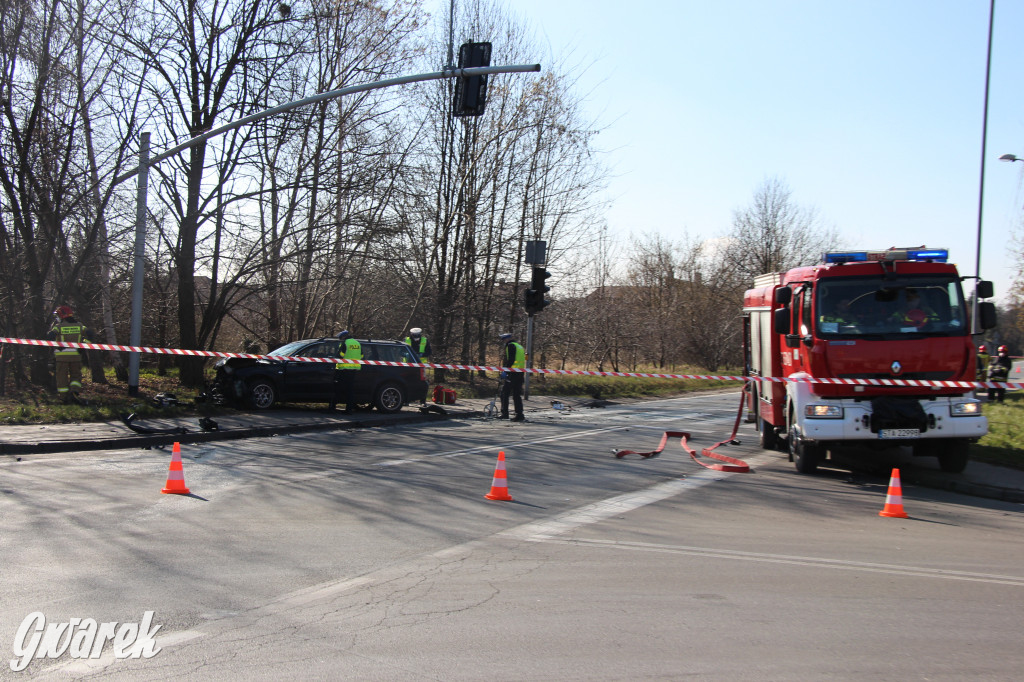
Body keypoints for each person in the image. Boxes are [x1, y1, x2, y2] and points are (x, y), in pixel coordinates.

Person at [47, 305, 91, 403]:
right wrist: (84, 345)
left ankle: (64, 397)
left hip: (62, 357)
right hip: (76, 357)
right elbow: (91, 334)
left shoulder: (58, 327)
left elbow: (50, 336)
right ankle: (74, 391)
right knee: (76, 375)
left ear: (62, 315)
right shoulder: (80, 326)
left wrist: (56, 345)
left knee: (61, 377)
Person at [329, 330, 362, 413]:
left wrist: (334, 358)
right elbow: (361, 356)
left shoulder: (345, 343)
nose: (340, 340)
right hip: (354, 369)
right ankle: (349, 409)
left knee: (338, 389)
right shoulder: (357, 343)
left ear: (344, 337)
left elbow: (340, 356)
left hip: (343, 369)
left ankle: (332, 407)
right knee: (350, 390)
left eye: (340, 338)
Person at [498, 332, 525, 422]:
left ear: (507, 339)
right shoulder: (519, 346)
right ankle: (519, 414)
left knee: (504, 392)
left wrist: (506, 370)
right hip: (520, 372)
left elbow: (511, 359)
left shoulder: (510, 345)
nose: (503, 341)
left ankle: (505, 413)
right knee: (517, 394)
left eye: (504, 339)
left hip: (513, 372)